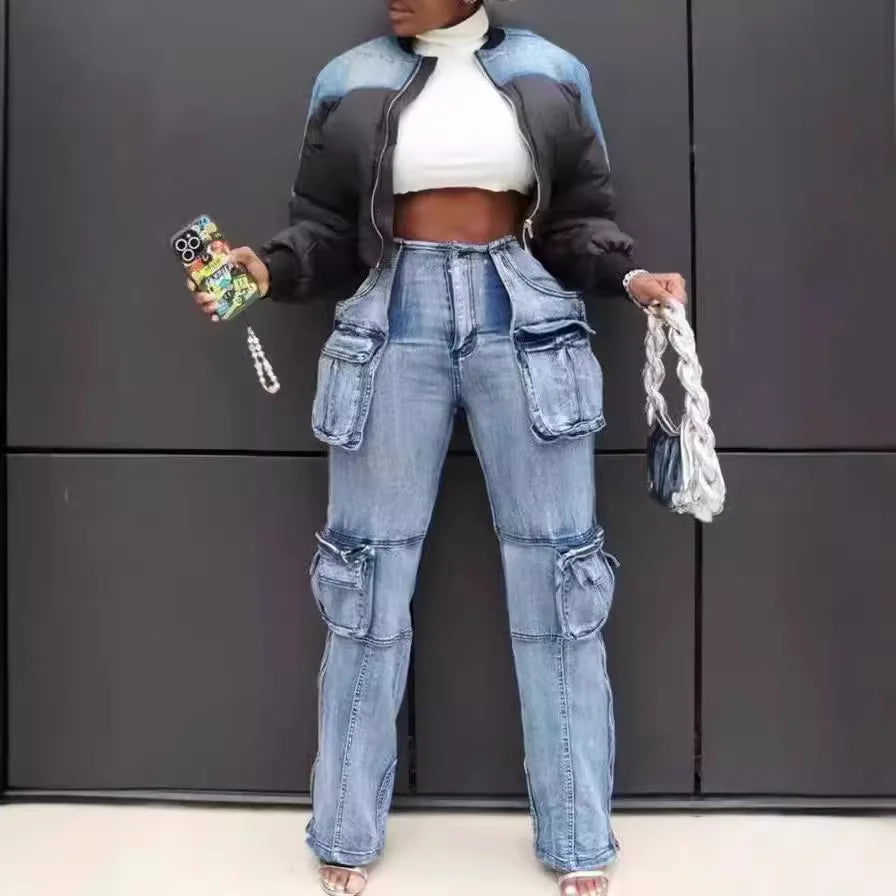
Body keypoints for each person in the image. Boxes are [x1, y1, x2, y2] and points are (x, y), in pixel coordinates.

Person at [191, 2, 686, 893]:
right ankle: (345, 830)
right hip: (390, 321)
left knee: (561, 579)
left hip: (524, 317)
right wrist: (265, 268)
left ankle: (578, 838)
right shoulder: (348, 78)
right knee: (364, 578)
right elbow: (324, 229)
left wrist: (630, 276)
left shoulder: (551, 70)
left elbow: (578, 221)